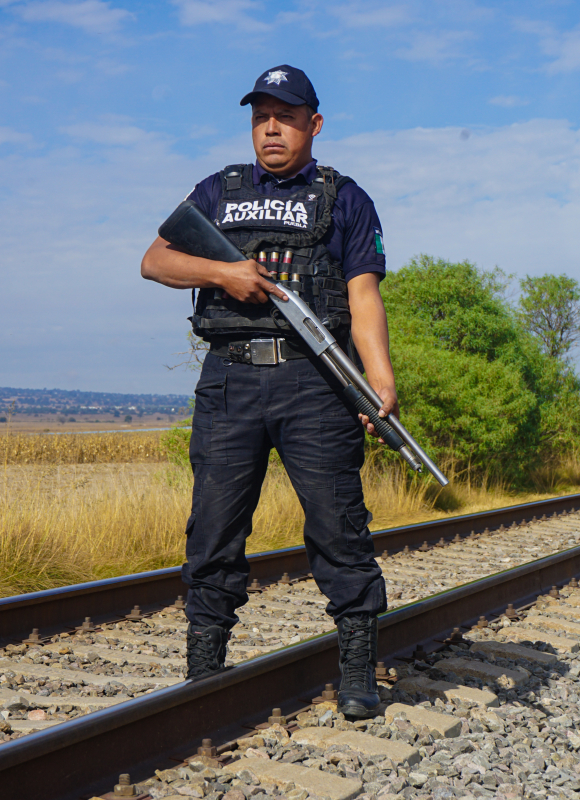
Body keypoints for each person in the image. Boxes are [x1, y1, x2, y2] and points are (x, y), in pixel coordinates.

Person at [140, 65, 394, 720]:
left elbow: (363, 295)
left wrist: (379, 378)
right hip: (231, 377)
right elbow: (156, 259)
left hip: (317, 382)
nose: (270, 128)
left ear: (313, 123)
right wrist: (223, 271)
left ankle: (360, 667)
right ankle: (204, 674)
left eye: (284, 116)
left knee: (339, 526)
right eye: (260, 117)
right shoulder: (218, 191)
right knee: (214, 530)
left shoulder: (345, 199)